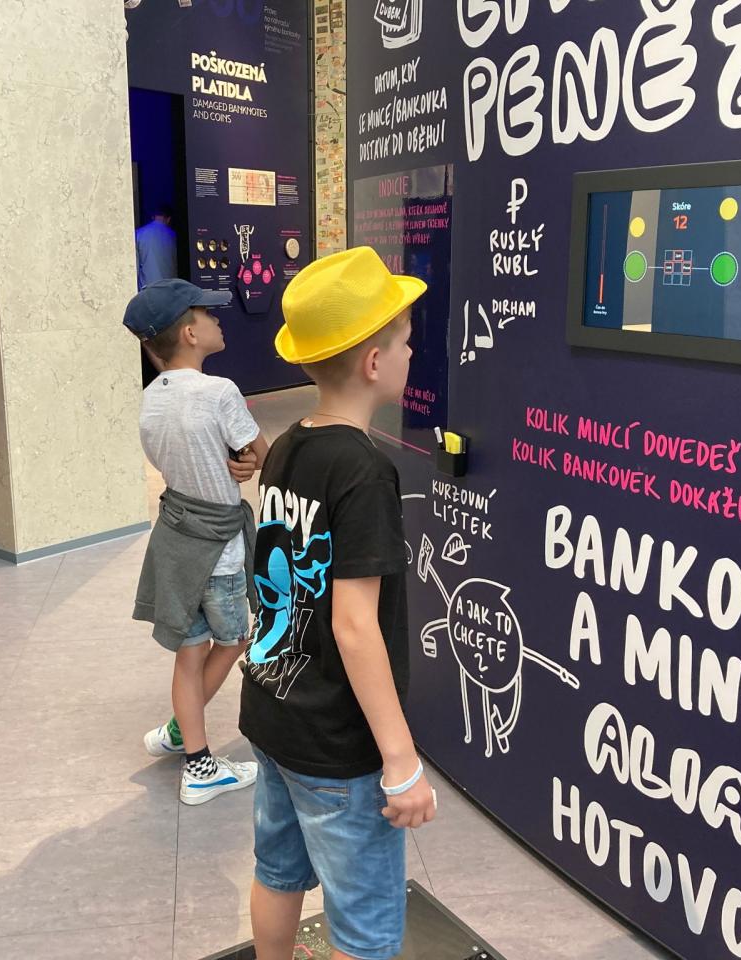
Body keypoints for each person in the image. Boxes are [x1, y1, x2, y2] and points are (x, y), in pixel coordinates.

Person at [241, 247, 437, 960]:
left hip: (272, 708)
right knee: (365, 928)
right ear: (375, 363)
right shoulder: (365, 470)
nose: (412, 352)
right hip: (335, 745)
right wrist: (400, 759)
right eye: (406, 341)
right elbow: (355, 626)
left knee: (277, 871)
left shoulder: (289, 446)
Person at [125, 278, 269, 806]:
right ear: (189, 332)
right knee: (231, 640)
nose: (217, 319)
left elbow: (193, 459)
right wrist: (248, 462)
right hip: (219, 548)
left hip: (175, 539)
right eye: (208, 314)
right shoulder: (219, 392)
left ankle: (181, 733)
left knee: (189, 652)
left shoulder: (151, 399)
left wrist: (231, 463)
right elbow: (265, 455)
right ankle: (200, 763)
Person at [136, 203, 178, 290]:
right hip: (170, 289)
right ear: (168, 219)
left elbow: (135, 268)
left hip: (148, 290)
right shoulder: (173, 236)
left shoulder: (138, 234)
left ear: (153, 217)